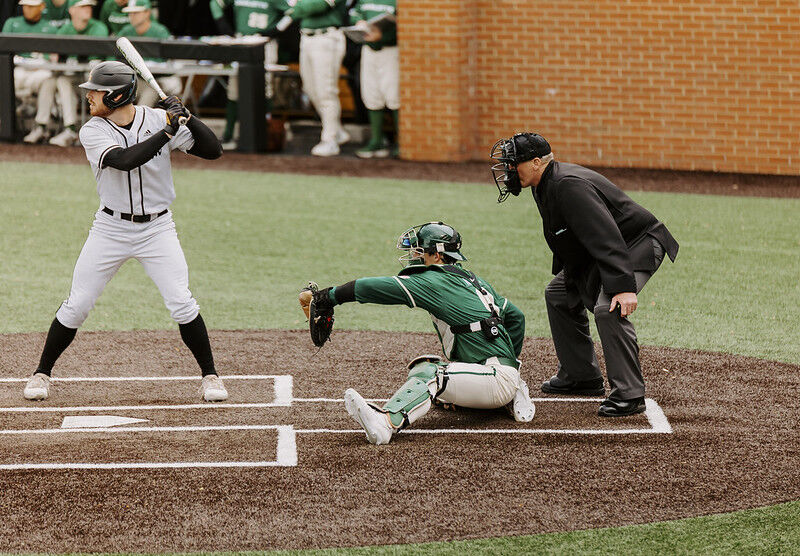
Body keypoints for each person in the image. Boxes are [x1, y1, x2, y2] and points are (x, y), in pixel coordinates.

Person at [23, 61, 227, 403]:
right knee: (77, 305)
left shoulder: (157, 118)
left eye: (95, 92)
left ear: (116, 95)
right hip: (110, 229)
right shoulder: (92, 130)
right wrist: (167, 131)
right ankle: (41, 373)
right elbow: (124, 160)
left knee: (181, 301)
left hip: (158, 229)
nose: (89, 97)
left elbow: (213, 150)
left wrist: (187, 117)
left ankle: (211, 377)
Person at [490, 133, 679, 417]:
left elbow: (606, 235)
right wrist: (573, 278)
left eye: (513, 163)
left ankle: (630, 394)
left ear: (537, 162)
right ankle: (581, 376)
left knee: (608, 307)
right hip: (608, 249)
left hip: (638, 245)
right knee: (559, 294)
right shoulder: (543, 183)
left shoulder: (568, 185)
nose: (507, 171)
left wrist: (623, 287)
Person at [299, 222, 535, 445]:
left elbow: (379, 288)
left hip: (495, 380)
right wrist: (511, 365)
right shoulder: (473, 281)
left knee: (429, 372)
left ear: (438, 255)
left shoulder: (434, 280)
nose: (415, 256)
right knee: (433, 379)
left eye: (421, 251)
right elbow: (516, 318)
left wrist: (330, 297)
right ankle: (511, 387)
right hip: (493, 374)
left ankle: (386, 423)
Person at [24, 0, 109, 147]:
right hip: (73, 79)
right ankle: (44, 127)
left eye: (89, 6)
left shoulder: (99, 27)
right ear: (72, 10)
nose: (87, 9)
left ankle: (75, 130)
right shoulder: (65, 29)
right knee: (52, 81)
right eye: (82, 6)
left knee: (63, 80)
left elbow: (96, 58)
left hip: (95, 83)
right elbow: (53, 55)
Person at [209, 0, 289, 149]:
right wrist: (223, 25)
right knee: (234, 89)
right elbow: (215, 3)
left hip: (264, 42)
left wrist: (276, 29)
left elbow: (292, 12)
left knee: (265, 89)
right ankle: (229, 135)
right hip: (241, 41)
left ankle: (265, 133)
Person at [284, 0, 349, 157]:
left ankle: (330, 140)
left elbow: (316, 5)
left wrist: (299, 7)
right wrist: (298, 7)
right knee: (310, 89)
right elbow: (289, 5)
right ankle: (337, 130)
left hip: (327, 37)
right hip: (307, 37)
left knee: (326, 91)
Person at [349, 0, 397, 159]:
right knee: (371, 93)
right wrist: (359, 23)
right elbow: (353, 14)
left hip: (392, 49)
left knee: (394, 94)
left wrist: (384, 34)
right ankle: (377, 140)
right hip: (369, 49)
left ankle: (402, 141)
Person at [118, 0, 182, 106]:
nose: (132, 16)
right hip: (136, 79)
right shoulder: (126, 31)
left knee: (152, 89)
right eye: (130, 13)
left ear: (147, 13)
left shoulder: (160, 31)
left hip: (160, 79)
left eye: (136, 13)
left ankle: (140, 120)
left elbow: (168, 62)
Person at [2, 0, 58, 107]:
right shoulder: (12, 23)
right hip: (17, 67)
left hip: (40, 70)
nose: (28, 9)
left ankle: (40, 121)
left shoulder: (51, 28)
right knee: (12, 77)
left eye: (32, 6)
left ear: (42, 6)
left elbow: (53, 56)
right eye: (25, 6)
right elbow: (4, 49)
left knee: (47, 79)